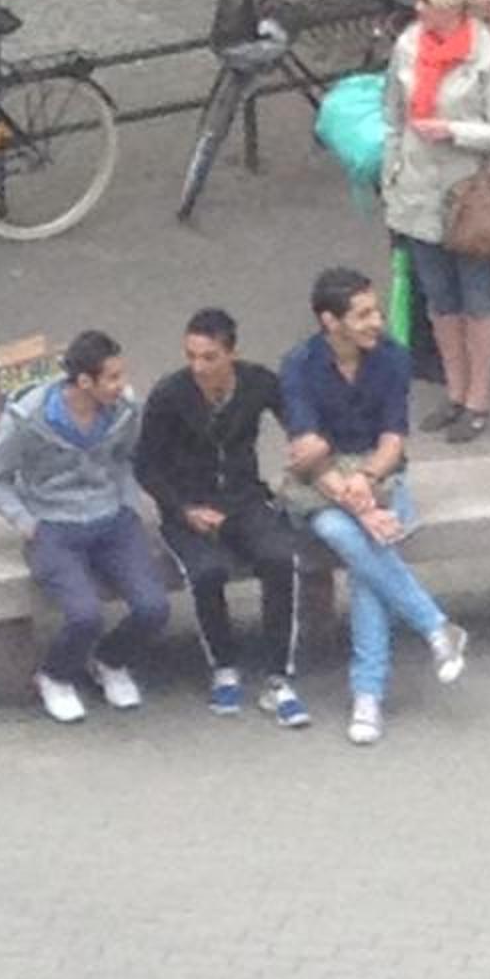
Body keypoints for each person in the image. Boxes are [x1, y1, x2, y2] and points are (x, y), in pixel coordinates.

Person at [279, 266, 468, 748]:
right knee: (345, 533)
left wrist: (366, 480)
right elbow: (307, 452)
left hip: (378, 473)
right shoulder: (299, 364)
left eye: (376, 311)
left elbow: (393, 439)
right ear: (330, 321)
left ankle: (368, 694)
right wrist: (360, 507)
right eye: (362, 315)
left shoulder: (392, 357)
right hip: (321, 480)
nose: (377, 322)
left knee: (364, 569)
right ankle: (434, 626)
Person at [0, 326, 171, 728]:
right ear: (84, 382)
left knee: (153, 607)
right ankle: (54, 675)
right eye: (112, 378)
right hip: (53, 526)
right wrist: (25, 521)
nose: (121, 385)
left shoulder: (125, 409)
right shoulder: (28, 418)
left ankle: (110, 661)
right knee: (84, 616)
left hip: (112, 520)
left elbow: (127, 456)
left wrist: (128, 502)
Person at [136, 307, 310, 727]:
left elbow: (298, 420)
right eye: (191, 356)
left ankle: (278, 677)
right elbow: (146, 466)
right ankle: (224, 667)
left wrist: (304, 450)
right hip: (188, 504)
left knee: (279, 558)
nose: (198, 367)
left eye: (209, 357)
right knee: (207, 571)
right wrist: (183, 509)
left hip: (244, 498)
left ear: (232, 353)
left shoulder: (257, 382)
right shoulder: (170, 394)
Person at [380, 0, 490, 444]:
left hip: (471, 198)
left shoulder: (487, 56)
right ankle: (455, 392)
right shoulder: (407, 46)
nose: (417, 7)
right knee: (440, 301)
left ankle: (479, 399)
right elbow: (393, 118)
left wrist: (453, 130)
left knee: (477, 299)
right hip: (419, 196)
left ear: (450, 5)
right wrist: (392, 176)